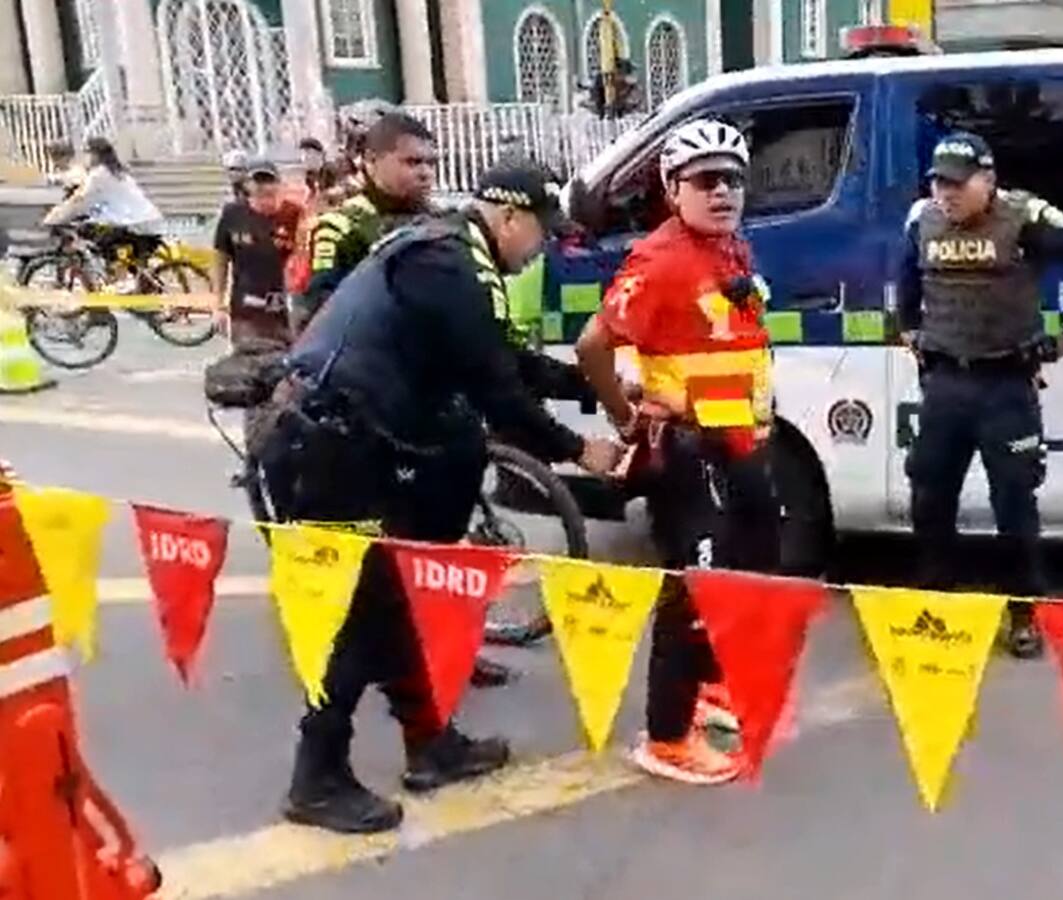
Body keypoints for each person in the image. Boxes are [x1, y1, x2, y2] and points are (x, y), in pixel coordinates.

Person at [256, 160, 623, 834]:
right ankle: (316, 777)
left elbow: (502, 363)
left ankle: (431, 744)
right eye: (541, 233)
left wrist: (595, 385)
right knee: (363, 614)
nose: (540, 249)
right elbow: (498, 392)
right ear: (510, 219)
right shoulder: (449, 265)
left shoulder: (452, 256)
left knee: (392, 603)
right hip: (327, 448)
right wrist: (579, 451)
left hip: (347, 443)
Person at [576, 119, 779, 785]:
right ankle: (664, 737)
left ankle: (710, 690)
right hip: (687, 449)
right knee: (694, 583)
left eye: (734, 179)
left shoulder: (731, 248)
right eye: (705, 180)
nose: (723, 192)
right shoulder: (660, 259)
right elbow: (592, 346)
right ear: (671, 188)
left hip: (738, 437)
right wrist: (625, 415)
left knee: (752, 564)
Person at [898, 132, 1063, 659]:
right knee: (929, 498)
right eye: (938, 182)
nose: (946, 193)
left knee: (1014, 503)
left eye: (957, 183)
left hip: (1005, 386)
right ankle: (937, 606)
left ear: (987, 181)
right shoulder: (921, 219)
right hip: (946, 384)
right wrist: (907, 326)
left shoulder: (1024, 217)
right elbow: (904, 272)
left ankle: (1022, 613)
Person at [290, 113, 436, 334]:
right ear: (371, 161)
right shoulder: (340, 227)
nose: (425, 173)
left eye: (431, 163)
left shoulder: (443, 223)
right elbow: (320, 313)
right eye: (412, 162)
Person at [211, 160, 304, 350]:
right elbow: (220, 259)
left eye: (269, 181)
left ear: (279, 185)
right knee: (250, 367)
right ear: (247, 185)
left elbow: (304, 260)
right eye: (258, 181)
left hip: (286, 313)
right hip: (246, 311)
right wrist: (217, 305)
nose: (264, 187)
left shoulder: (294, 215)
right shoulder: (233, 214)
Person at [43, 137, 163, 241]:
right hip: (149, 220)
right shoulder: (117, 172)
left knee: (88, 234)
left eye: (86, 153)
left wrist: (53, 219)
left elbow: (79, 201)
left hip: (134, 225)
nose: (84, 157)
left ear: (95, 154)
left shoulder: (99, 175)